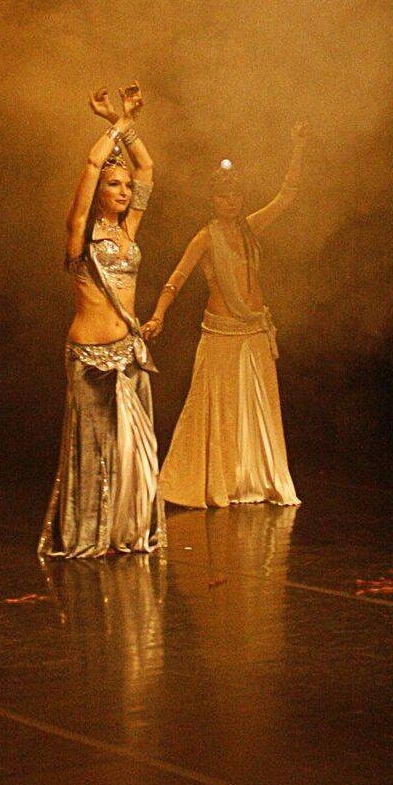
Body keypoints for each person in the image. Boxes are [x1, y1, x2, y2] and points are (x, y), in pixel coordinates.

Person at [146, 124, 308, 509]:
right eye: (223, 195)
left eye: (236, 194)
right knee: (218, 408)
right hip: (221, 332)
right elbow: (176, 279)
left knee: (258, 407)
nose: (231, 201)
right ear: (213, 200)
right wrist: (158, 315)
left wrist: (299, 147)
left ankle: (255, 478)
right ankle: (219, 480)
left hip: (254, 329)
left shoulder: (251, 228)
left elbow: (287, 196)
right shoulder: (206, 237)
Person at [39, 85, 165, 559]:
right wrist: (117, 126)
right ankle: (90, 532)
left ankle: (127, 530)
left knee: (134, 451)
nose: (124, 191)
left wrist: (123, 123)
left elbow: (147, 168)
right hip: (89, 357)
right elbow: (93, 165)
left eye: (126, 187)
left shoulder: (129, 230)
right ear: (99, 193)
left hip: (128, 353)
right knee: (93, 452)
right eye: (115, 185)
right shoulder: (80, 235)